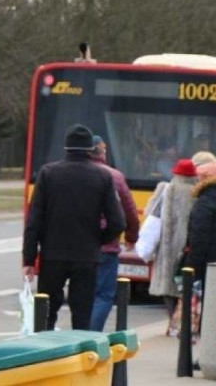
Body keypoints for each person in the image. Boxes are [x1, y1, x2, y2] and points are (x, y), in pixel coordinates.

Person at [22, 124, 126, 330]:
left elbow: (34, 220)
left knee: (46, 314)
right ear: (90, 149)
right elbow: (118, 222)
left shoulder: (48, 173)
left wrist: (29, 258)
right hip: (87, 256)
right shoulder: (102, 177)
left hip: (53, 254)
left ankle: (45, 355)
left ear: (66, 147)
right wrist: (98, 239)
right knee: (82, 316)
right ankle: (80, 357)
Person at [89, 135, 140, 331]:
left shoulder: (74, 172)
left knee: (84, 295)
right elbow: (129, 210)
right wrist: (131, 236)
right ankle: (91, 336)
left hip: (79, 244)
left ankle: (79, 335)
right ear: (102, 152)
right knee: (102, 296)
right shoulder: (114, 176)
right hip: (107, 246)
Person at [147, 158, 199, 335]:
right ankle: (184, 322)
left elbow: (150, 213)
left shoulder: (166, 189)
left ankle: (172, 323)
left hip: (166, 247)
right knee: (184, 286)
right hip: (188, 247)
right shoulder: (197, 191)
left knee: (167, 286)